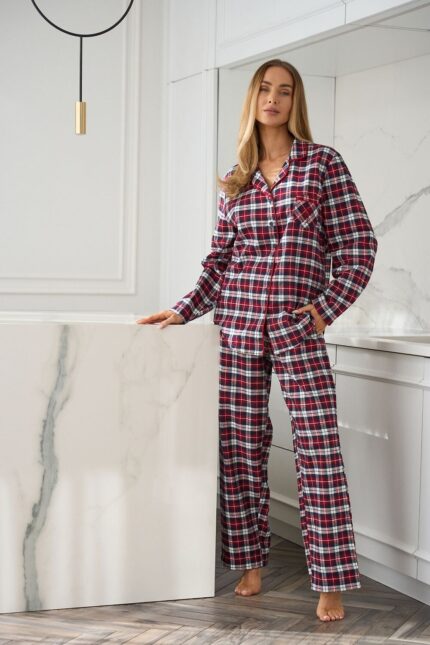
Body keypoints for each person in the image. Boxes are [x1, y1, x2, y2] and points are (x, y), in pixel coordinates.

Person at [136, 58, 378, 622]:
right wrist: (183, 309)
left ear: (296, 102)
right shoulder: (235, 178)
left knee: (318, 448)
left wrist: (325, 310)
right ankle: (249, 563)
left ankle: (331, 581)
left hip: (297, 326)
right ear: (252, 99)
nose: (274, 98)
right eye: (265, 89)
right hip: (239, 324)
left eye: (285, 91)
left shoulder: (322, 164)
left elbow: (359, 245)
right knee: (241, 447)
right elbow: (220, 261)